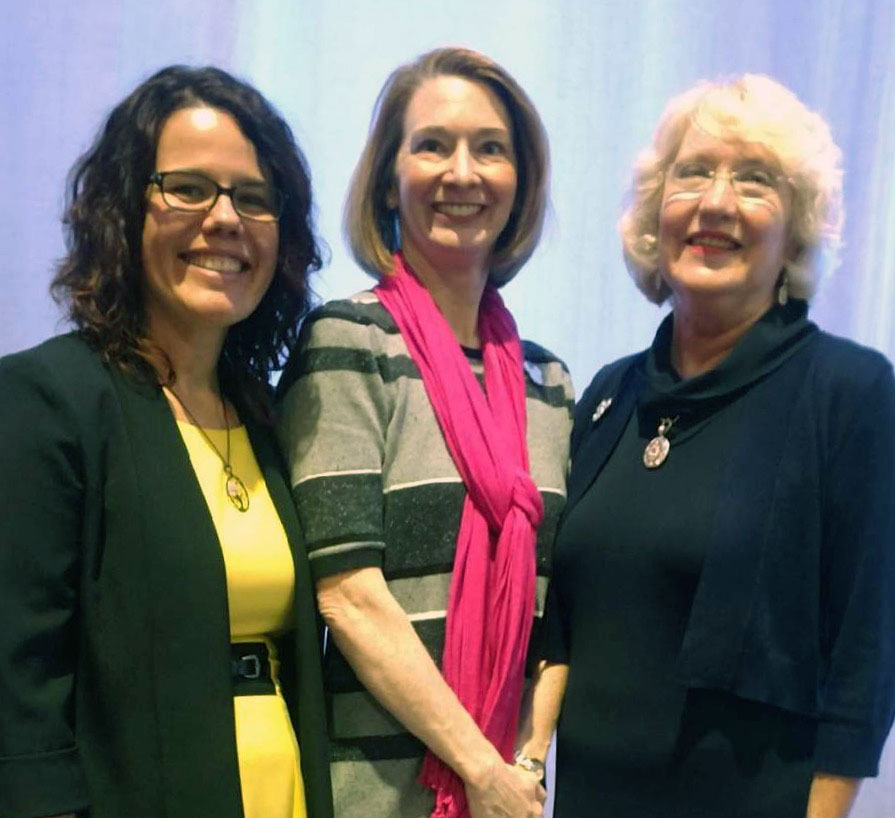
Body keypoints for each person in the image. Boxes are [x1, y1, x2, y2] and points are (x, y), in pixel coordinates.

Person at [517, 74, 895, 817]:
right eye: (693, 173)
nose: (716, 202)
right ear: (658, 214)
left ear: (796, 232)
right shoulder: (605, 396)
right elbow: (558, 624)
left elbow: (866, 654)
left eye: (755, 182)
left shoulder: (849, 392)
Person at [0, 66, 333, 818]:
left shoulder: (268, 415)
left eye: (253, 198)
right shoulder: (47, 400)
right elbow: (18, 685)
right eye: (187, 188)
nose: (224, 220)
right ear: (121, 211)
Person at [276, 48, 573, 818]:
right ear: (387, 178)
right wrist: (479, 768)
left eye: (491, 147)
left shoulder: (551, 384)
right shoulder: (347, 342)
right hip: (372, 796)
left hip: (509, 790)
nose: (462, 172)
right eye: (432, 144)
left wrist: (524, 766)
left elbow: (560, 612)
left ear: (522, 181)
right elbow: (348, 594)